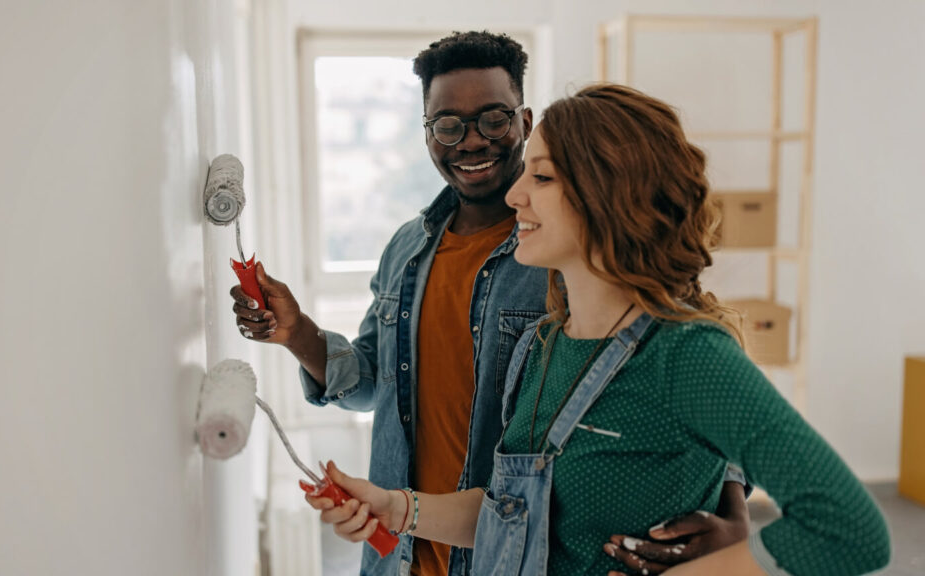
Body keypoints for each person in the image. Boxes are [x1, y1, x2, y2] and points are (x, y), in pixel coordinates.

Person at [303, 83, 892, 576]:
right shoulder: (542, 346)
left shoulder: (684, 354)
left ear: (608, 194)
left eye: (543, 178)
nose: (514, 195)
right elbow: (515, 512)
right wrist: (397, 508)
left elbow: (850, 530)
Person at [233, 33, 748, 576]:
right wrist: (299, 334)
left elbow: (686, 367)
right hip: (401, 549)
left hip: (516, 555)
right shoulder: (406, 250)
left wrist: (733, 512)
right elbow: (372, 384)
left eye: (494, 120)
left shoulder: (566, 251)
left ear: (524, 121)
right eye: (449, 125)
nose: (472, 141)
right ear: (428, 133)